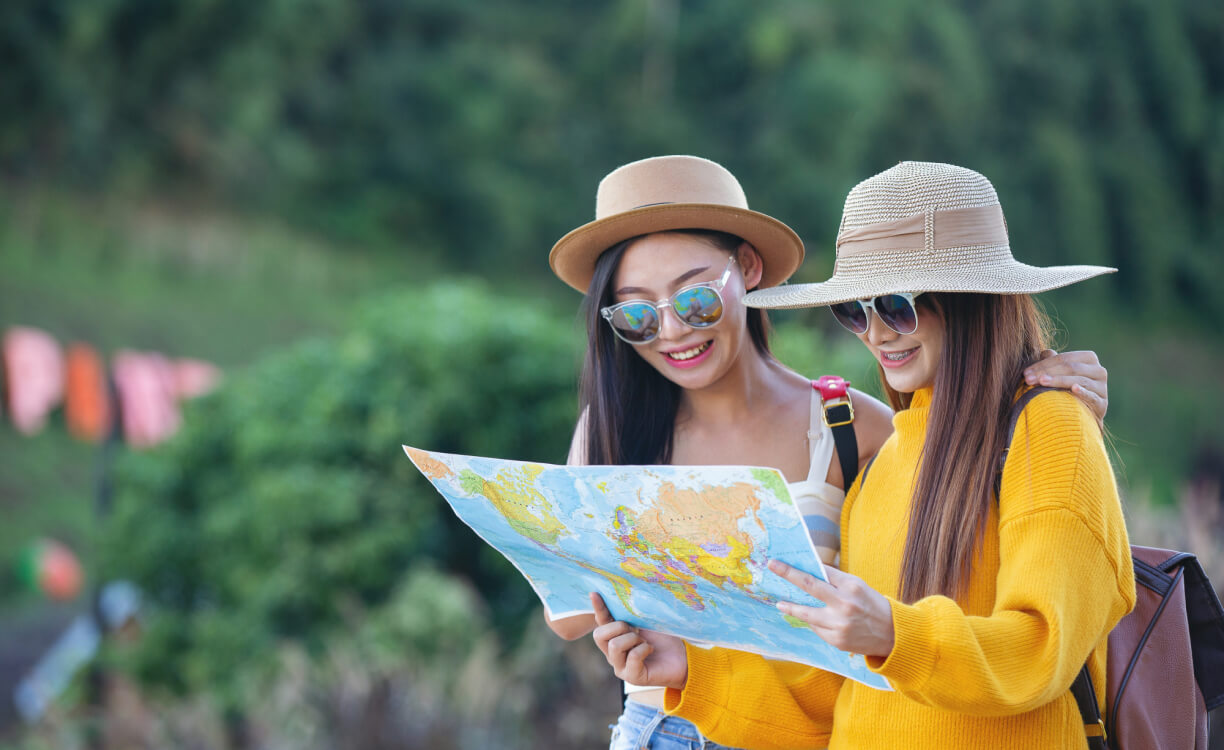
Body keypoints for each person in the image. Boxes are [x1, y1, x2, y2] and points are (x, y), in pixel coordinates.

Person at [549, 156, 1111, 750]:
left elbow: (1043, 648)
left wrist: (893, 634)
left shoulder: (1044, 424)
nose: (876, 333)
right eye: (854, 310)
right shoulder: (889, 461)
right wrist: (694, 674)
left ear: (975, 297)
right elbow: (840, 693)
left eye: (895, 306)